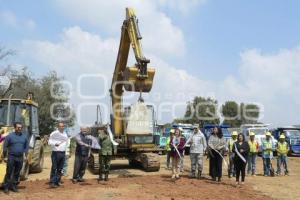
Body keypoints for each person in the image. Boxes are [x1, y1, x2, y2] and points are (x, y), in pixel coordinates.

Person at [2, 122, 28, 194]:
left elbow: (26, 147)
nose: (20, 129)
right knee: (9, 172)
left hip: (20, 158)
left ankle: (14, 186)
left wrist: (25, 155)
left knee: (17, 173)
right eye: (18, 127)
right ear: (15, 128)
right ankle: (6, 187)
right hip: (11, 157)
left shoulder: (24, 137)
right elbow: (5, 147)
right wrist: (5, 156)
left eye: (21, 127)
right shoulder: (9, 136)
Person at [48, 122, 68, 188]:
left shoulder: (65, 134)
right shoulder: (54, 133)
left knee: (60, 169)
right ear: (58, 127)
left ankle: (57, 181)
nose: (62, 127)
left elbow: (66, 143)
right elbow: (49, 142)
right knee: (54, 168)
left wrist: (67, 152)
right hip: (56, 153)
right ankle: (52, 182)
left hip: (63, 153)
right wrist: (55, 143)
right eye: (60, 126)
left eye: (63, 126)